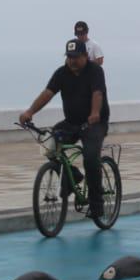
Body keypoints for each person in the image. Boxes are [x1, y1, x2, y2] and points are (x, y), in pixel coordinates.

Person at [20, 38, 110, 217]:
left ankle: (97, 204)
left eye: (76, 57)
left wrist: (94, 113)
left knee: (91, 157)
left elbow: (97, 93)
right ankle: (73, 176)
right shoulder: (62, 73)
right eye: (69, 57)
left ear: (85, 56)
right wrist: (30, 112)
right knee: (49, 146)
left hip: (95, 123)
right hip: (71, 122)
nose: (72, 61)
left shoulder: (95, 71)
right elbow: (48, 93)